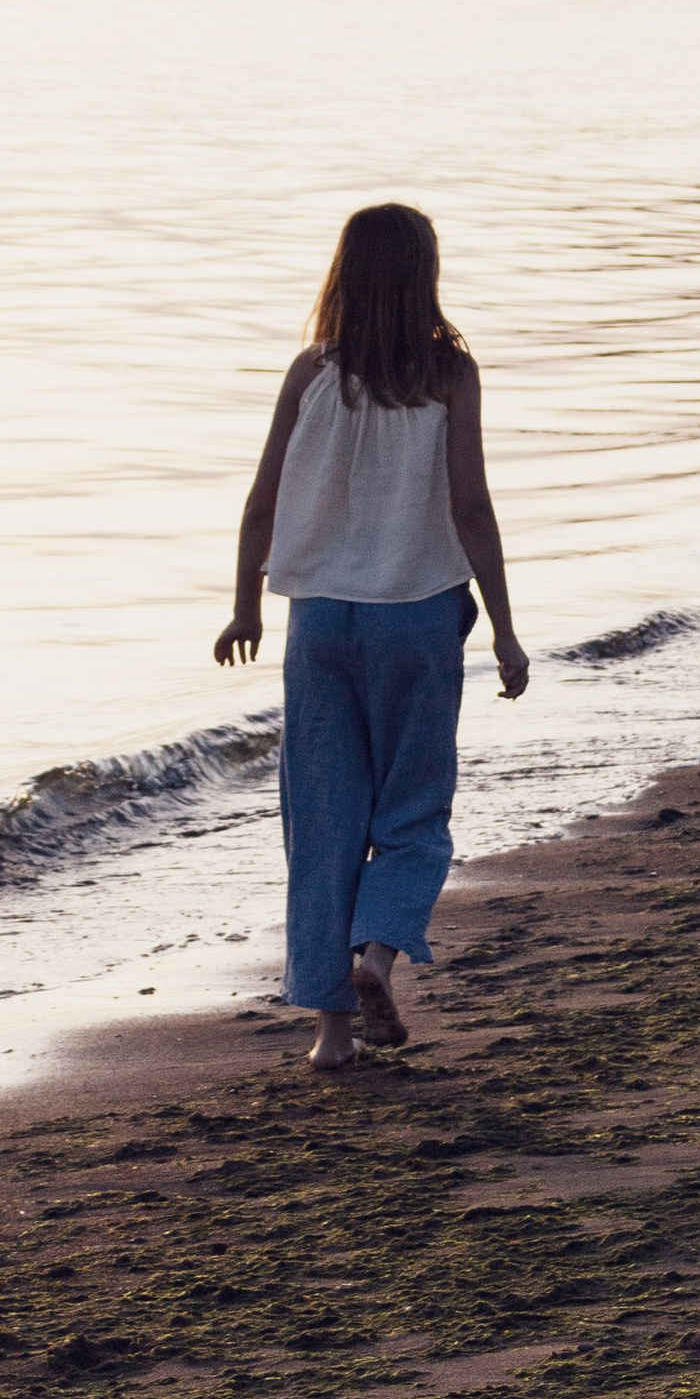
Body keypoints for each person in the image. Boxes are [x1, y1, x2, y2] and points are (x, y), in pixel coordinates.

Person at [216, 203, 529, 1070]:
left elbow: (263, 497)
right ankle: (377, 959)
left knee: (322, 822)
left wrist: (244, 605)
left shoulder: (313, 370)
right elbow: (471, 506)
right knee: (412, 810)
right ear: (424, 274)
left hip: (318, 620)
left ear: (344, 273)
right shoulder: (447, 373)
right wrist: (505, 629)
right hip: (416, 614)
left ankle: (331, 1035)